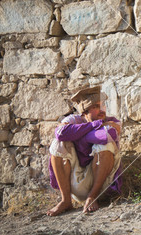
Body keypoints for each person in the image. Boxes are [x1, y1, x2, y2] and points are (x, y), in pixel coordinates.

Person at [46, 86, 123, 216]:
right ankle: (66, 201)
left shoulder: (112, 121)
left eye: (102, 105)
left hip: (102, 184)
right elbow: (60, 133)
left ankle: (92, 197)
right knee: (57, 143)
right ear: (84, 112)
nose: (102, 110)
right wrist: (94, 125)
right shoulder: (74, 120)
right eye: (96, 106)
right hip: (77, 183)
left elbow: (107, 135)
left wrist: (75, 134)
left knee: (105, 145)